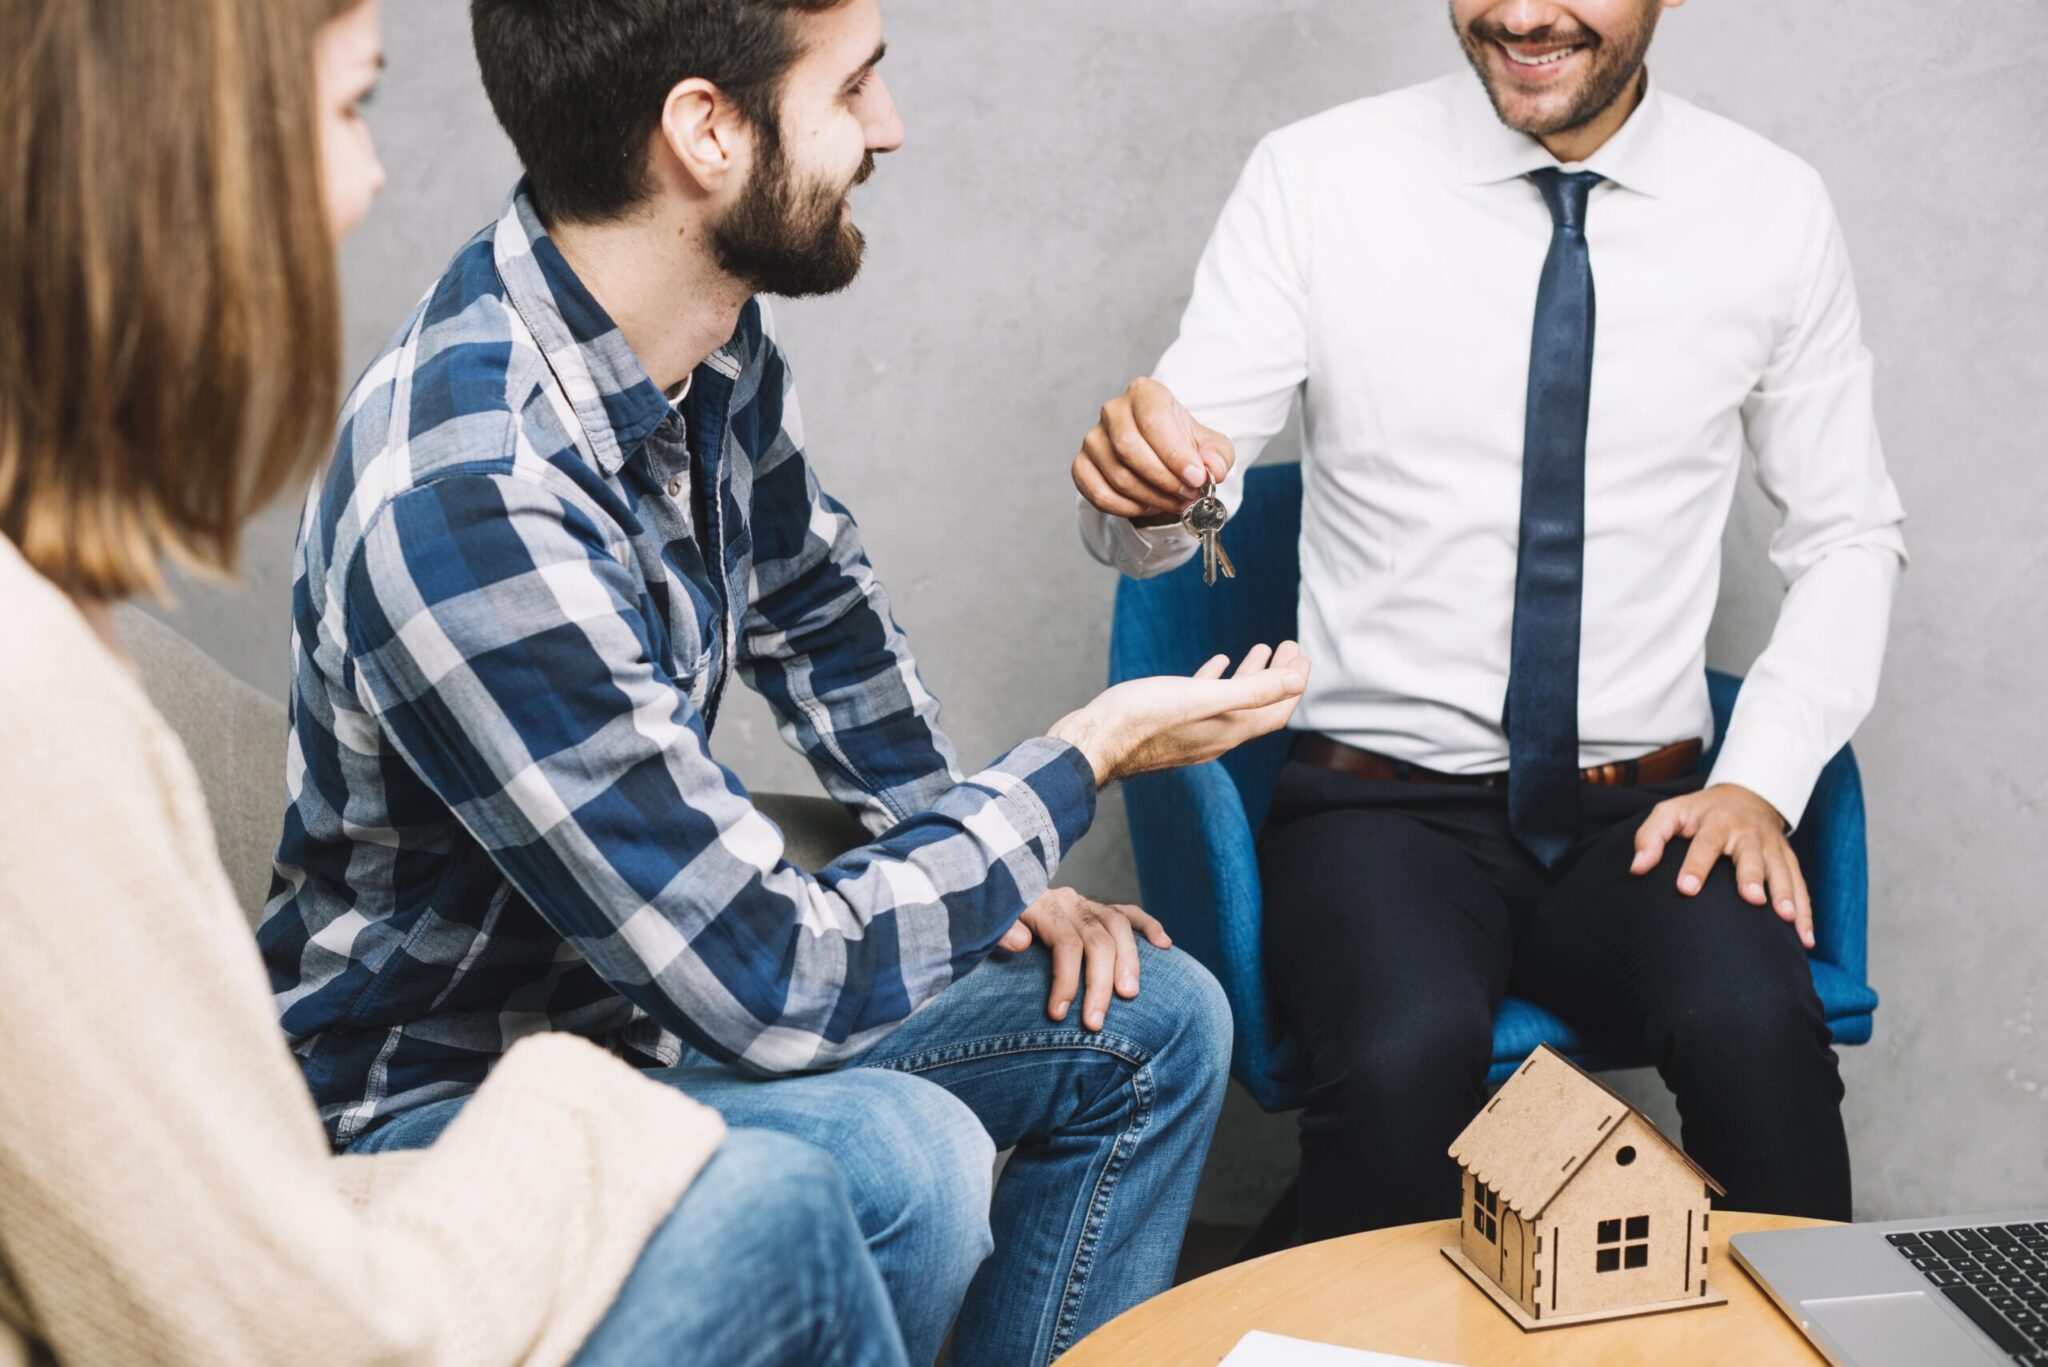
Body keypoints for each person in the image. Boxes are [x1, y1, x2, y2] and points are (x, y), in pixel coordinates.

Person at [260, 0, 1309, 1361]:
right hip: (447, 1103)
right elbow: (769, 979)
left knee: (1154, 1018)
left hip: (645, 1012)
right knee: (903, 1157)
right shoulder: (470, 504)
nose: (891, 127)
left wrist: (971, 853)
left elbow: (816, 607)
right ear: (706, 131)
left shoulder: (693, 338)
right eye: (854, 87)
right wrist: (1084, 753)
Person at [0, 1, 914, 1363]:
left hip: (552, 1057)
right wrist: (582, 1111)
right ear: (186, 163)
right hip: (425, 1105)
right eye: (350, 108)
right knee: (798, 1189)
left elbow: (815, 601)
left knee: (1116, 1028)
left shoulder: (51, 638)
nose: (373, 178)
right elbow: (288, 1328)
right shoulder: (35, 704)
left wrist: (960, 827)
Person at [1075, 0, 1905, 1241]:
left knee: (1757, 1031)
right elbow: (1185, 485)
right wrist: (1146, 495)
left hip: (1646, 809)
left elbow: (1847, 534)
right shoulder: (1317, 178)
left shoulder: (1768, 207)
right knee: (1401, 1053)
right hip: (1378, 809)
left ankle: (1804, 1329)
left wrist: (1758, 782)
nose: (1519, 14)